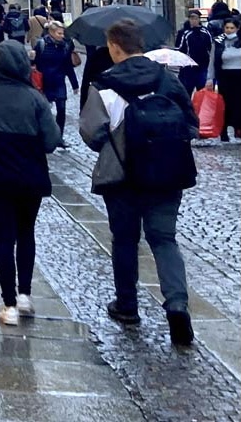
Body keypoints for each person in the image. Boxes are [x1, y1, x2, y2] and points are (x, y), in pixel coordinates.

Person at [80, 19, 198, 346]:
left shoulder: (104, 84)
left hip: (122, 177)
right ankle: (177, 304)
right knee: (164, 240)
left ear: (115, 47)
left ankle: (127, 305)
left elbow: (91, 133)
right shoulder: (168, 79)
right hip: (167, 174)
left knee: (125, 240)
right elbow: (191, 124)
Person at [0, 41, 61, 326]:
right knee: (26, 233)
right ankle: (25, 295)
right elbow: (52, 141)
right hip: (30, 176)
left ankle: (9, 304)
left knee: (3, 238)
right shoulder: (35, 99)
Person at [33, 20, 80, 145]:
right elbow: (34, 64)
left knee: (61, 109)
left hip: (59, 81)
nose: (62, 36)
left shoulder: (65, 46)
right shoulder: (41, 44)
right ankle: (43, 136)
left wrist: (75, 84)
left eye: (63, 33)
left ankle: (59, 138)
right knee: (44, 111)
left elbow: (68, 66)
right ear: (51, 33)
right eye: (59, 33)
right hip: (44, 82)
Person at [204, 16, 241, 143]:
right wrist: (210, 78)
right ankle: (223, 131)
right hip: (225, 75)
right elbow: (212, 60)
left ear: (237, 28)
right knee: (224, 105)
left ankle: (238, 129)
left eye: (232, 28)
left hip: (239, 75)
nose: (229, 30)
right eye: (227, 28)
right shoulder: (218, 41)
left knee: (238, 104)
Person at [175, 9, 213, 95]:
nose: (193, 21)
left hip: (203, 65)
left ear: (199, 19)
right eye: (191, 18)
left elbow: (211, 47)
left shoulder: (205, 32)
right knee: (187, 90)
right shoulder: (185, 33)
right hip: (189, 66)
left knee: (203, 91)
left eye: (195, 18)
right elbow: (180, 48)